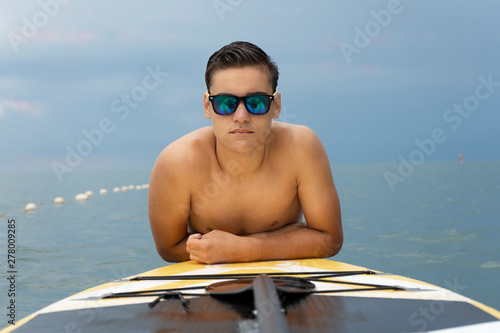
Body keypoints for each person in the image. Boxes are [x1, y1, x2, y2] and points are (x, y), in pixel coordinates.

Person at [148, 41, 343, 264]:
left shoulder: (302, 147)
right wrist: (278, 238)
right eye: (226, 103)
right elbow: (169, 249)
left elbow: (331, 240)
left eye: (256, 102)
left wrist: (244, 249)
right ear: (207, 106)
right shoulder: (177, 161)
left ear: (276, 105)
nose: (241, 116)